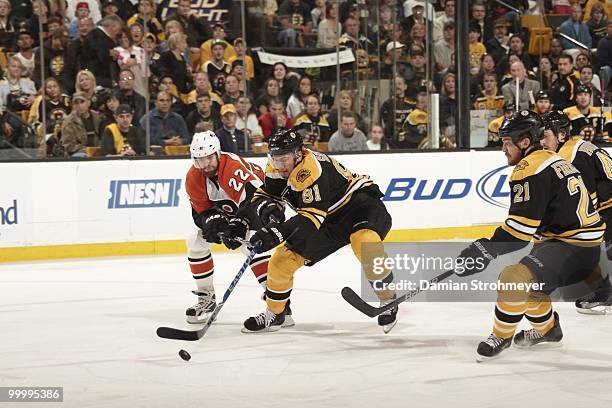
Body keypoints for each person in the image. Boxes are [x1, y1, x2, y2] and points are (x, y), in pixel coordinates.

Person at [455, 110, 604, 361]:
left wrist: (484, 250)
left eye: (507, 142)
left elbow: (519, 231)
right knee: (529, 289)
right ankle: (549, 330)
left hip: (571, 247)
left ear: (525, 142)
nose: (503, 148)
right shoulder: (553, 159)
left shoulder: (529, 167)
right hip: (576, 247)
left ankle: (501, 336)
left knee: (513, 277)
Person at [225, 129, 396, 332]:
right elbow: (265, 195)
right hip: (325, 219)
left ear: (298, 153)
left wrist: (277, 232)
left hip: (358, 207)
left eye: (284, 159)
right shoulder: (275, 167)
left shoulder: (310, 169)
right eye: (276, 158)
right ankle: (276, 313)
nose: (280, 165)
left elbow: (311, 218)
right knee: (281, 259)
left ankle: (388, 299)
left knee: (365, 241)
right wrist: (266, 213)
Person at [183, 131, 279, 324]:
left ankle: (279, 303)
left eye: (210, 158)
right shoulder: (194, 178)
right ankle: (206, 298)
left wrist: (237, 226)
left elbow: (255, 201)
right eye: (200, 160)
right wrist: (213, 222)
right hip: (235, 211)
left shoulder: (232, 168)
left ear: (218, 153)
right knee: (195, 240)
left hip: (261, 207)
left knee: (252, 246)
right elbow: (200, 213)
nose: (206, 164)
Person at [539, 110, 612, 314]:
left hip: (609, 206)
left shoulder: (570, 156)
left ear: (561, 135)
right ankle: (603, 290)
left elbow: (586, 201)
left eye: (545, 135)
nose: (541, 141)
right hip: (606, 206)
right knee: (580, 249)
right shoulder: (572, 148)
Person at [81, 14, 123, 87]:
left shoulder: (108, 38)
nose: (118, 33)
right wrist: (108, 53)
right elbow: (95, 54)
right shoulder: (95, 34)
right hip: (97, 78)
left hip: (106, 79)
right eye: (118, 29)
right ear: (112, 26)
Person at [61, 91, 101, 157]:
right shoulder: (69, 121)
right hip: (79, 153)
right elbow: (68, 145)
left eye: (82, 102)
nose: (79, 106)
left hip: (97, 151)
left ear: (88, 103)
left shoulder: (97, 117)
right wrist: (88, 150)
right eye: (76, 103)